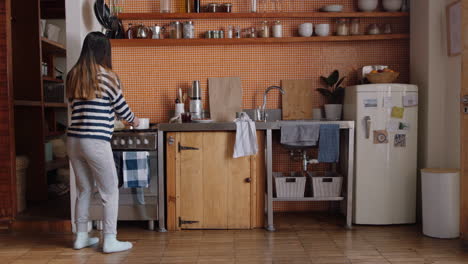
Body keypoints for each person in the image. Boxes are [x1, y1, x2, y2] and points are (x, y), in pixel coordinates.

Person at [66, 32, 139, 253]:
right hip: (95, 140)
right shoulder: (107, 76)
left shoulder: (73, 75)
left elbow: (76, 107)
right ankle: (109, 239)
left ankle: (81, 236)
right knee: (109, 191)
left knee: (84, 189)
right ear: (104, 51)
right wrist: (134, 121)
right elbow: (121, 108)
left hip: (73, 140)